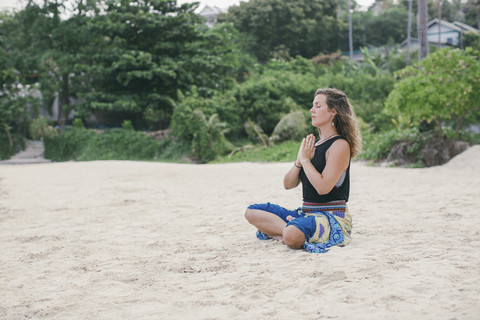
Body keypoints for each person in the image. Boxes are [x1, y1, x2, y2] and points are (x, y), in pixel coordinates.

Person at [245, 88, 361, 253]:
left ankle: (285, 231)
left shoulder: (340, 145)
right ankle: (287, 229)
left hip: (330, 218)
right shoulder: (312, 145)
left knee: (292, 235)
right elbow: (288, 184)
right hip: (306, 213)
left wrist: (306, 160)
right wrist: (299, 162)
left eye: (318, 106)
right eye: (312, 106)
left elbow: (323, 188)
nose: (311, 110)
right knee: (252, 212)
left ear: (333, 111)